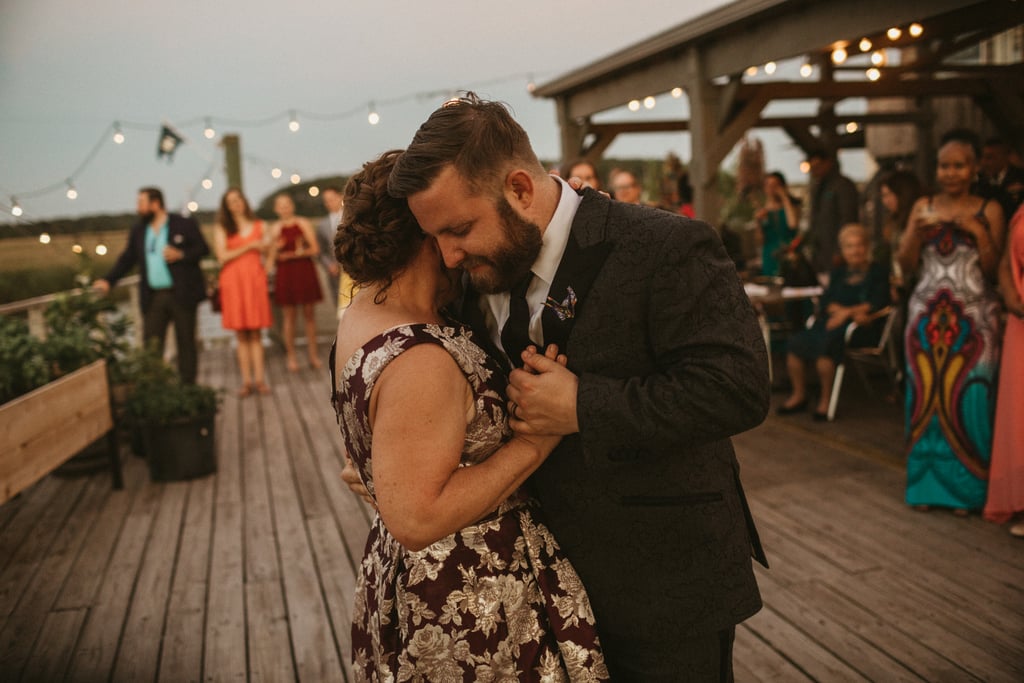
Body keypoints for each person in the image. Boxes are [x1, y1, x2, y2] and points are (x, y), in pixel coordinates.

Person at [387, 93, 770, 680]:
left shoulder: (665, 247)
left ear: (519, 188)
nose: (448, 255)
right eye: (435, 237)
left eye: (459, 229)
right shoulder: (469, 271)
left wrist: (584, 405)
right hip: (527, 596)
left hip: (664, 584)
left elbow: (737, 385)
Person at [331, 150, 608, 680]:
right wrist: (535, 442)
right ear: (425, 234)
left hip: (400, 574)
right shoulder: (422, 358)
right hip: (469, 593)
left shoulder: (364, 311)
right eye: (448, 227)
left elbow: (372, 438)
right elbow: (417, 519)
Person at [897, 128, 1006, 515]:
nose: (951, 172)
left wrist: (979, 233)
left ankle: (967, 493)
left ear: (974, 169)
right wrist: (914, 231)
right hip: (925, 318)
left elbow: (996, 270)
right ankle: (927, 488)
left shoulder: (988, 209)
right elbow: (906, 264)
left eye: (959, 165)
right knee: (925, 398)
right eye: (945, 165)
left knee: (970, 399)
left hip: (975, 321)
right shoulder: (923, 205)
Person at [93, 186, 209, 384]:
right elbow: (127, 259)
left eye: (141, 203)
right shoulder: (139, 230)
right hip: (153, 296)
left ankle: (189, 389)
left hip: (181, 294)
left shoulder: (183, 224)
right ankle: (156, 388)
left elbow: (203, 249)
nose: (138, 208)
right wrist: (108, 280)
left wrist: (181, 254)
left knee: (186, 344)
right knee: (152, 345)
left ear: (155, 204)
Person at [777, 223, 890, 421]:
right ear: (843, 251)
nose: (855, 251)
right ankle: (799, 395)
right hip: (831, 322)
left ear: (867, 247)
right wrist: (839, 312)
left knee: (827, 345)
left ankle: (825, 401)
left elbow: (877, 302)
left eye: (859, 245)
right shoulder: (839, 273)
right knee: (795, 342)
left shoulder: (877, 272)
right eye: (849, 246)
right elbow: (826, 301)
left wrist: (845, 313)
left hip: (859, 328)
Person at [984, 204, 1024, 536]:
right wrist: (1010, 292)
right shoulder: (1021, 212)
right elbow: (1004, 264)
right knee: (1020, 414)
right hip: (1021, 320)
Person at [213, 188, 272, 396]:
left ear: (244, 202)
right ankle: (246, 381)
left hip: (254, 280)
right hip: (233, 282)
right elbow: (222, 256)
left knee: (256, 332)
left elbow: (270, 248)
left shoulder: (261, 225)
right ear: (226, 207)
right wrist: (250, 246)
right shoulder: (223, 228)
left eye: (238, 199)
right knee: (241, 334)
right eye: (231, 201)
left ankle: (260, 380)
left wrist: (267, 268)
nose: (235, 204)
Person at [267, 192, 323, 372]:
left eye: (287, 204)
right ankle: (291, 357)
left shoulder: (303, 223)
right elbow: (270, 258)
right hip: (286, 273)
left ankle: (313, 355)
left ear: (292, 206)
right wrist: (276, 249)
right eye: (281, 205)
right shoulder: (274, 228)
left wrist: (298, 253)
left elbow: (315, 249)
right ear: (276, 209)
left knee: (309, 315)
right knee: (288, 317)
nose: (285, 208)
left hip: (303, 269)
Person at [806, 147, 859, 278]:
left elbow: (848, 217)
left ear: (827, 163)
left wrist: (840, 250)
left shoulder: (842, 185)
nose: (815, 170)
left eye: (818, 166)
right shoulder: (818, 186)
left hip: (836, 247)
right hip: (821, 251)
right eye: (812, 167)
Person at [878, 169, 923, 295]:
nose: (885, 201)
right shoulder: (894, 222)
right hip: (902, 287)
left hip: (918, 286)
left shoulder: (919, 221)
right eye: (883, 196)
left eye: (888, 195)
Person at [754, 171, 801, 277]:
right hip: (770, 254)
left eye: (775, 185)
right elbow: (759, 241)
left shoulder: (791, 206)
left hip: (789, 253)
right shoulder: (763, 210)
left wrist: (784, 198)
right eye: (768, 185)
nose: (771, 188)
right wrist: (758, 222)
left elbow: (793, 225)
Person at [976, 137, 1024, 219]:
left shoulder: (1020, 177)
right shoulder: (978, 180)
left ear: (1004, 157)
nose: (984, 163)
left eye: (990, 158)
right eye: (983, 158)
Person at [316, 185, 345, 306]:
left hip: (355, 271)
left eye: (332, 199)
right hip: (335, 271)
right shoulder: (322, 225)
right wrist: (329, 265)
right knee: (338, 302)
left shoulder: (351, 217)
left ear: (340, 197)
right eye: (326, 201)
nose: (329, 203)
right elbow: (321, 251)